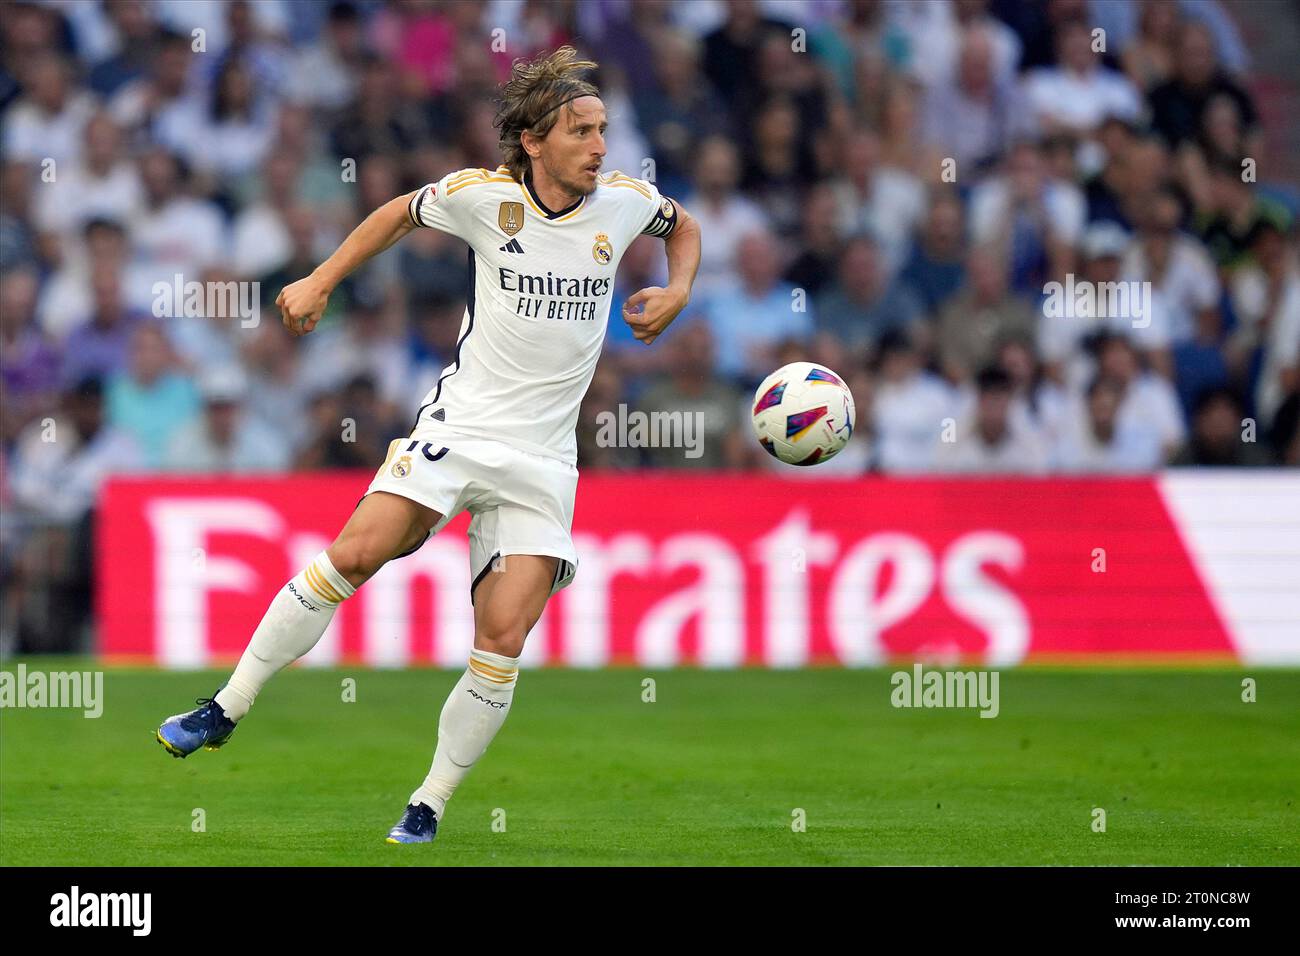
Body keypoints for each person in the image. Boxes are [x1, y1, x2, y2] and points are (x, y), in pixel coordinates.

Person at [153, 47, 702, 846]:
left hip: (544, 460)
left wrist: (679, 290)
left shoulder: (623, 205)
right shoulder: (482, 197)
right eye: (581, 131)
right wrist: (321, 279)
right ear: (536, 141)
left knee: (502, 637)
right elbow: (394, 216)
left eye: (603, 129)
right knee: (355, 551)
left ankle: (430, 802)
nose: (599, 145)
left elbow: (683, 228)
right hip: (461, 430)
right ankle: (225, 707)